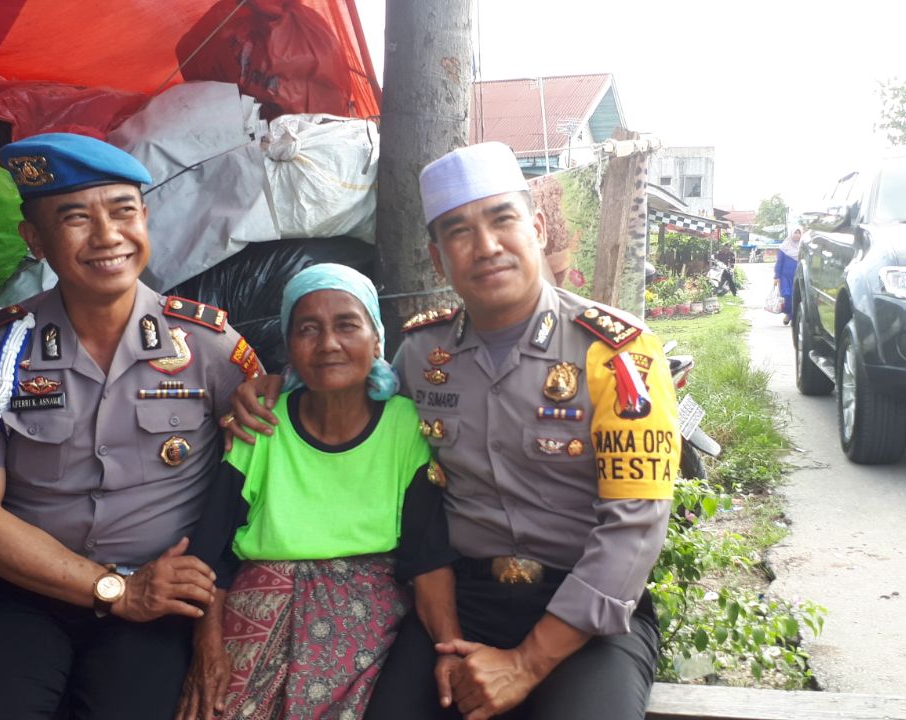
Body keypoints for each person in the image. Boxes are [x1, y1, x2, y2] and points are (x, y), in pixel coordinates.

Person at [229, 141, 680, 720]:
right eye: (459, 232)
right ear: (439, 260)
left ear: (537, 228)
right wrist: (273, 383)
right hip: (460, 603)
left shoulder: (618, 354)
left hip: (586, 619)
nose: (486, 247)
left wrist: (526, 664)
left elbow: (634, 530)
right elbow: (346, 384)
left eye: (502, 220)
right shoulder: (422, 352)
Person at [0, 133, 256, 720]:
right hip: (20, 591)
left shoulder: (208, 345)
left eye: (123, 211)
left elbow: (267, 457)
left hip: (160, 593)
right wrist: (116, 592)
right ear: (34, 239)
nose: (107, 237)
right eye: (76, 218)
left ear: (145, 220)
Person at [176, 264, 455, 720]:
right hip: (258, 608)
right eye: (308, 329)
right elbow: (210, 558)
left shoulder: (408, 427)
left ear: (377, 339)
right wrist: (207, 653)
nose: (328, 344)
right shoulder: (262, 425)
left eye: (347, 325)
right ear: (289, 346)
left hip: (370, 622)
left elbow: (427, 561)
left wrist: (449, 649)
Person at [774, 228, 801, 325]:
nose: (797, 235)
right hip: (784, 277)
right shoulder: (784, 247)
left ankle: (791, 316)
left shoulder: (802, 248)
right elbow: (779, 262)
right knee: (786, 295)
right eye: (795, 233)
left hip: (797, 277)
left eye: (799, 233)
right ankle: (789, 314)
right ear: (791, 234)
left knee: (795, 297)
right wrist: (776, 276)